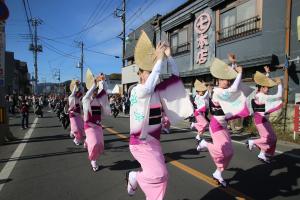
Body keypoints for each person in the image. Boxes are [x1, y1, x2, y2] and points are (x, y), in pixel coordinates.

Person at [126, 31, 193, 199]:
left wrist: (168, 56)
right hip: (139, 143)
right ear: (140, 73)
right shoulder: (136, 90)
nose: (151, 74)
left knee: (162, 178)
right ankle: (134, 176)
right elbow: (148, 86)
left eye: (152, 70)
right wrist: (159, 60)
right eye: (147, 71)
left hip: (154, 142)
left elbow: (176, 77)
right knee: (158, 175)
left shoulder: (158, 90)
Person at [196, 58, 250, 187]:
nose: (228, 82)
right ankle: (205, 143)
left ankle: (218, 173)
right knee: (221, 151)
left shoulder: (224, 90)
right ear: (218, 80)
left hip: (224, 125)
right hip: (216, 125)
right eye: (225, 80)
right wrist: (239, 73)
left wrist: (233, 64)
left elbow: (233, 88)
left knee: (230, 152)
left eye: (228, 80)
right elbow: (232, 90)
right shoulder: (216, 92)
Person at [246, 71, 282, 163]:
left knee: (273, 138)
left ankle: (265, 154)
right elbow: (278, 96)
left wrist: (267, 74)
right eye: (267, 87)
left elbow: (263, 81)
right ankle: (252, 142)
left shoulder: (260, 94)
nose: (269, 89)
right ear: (261, 88)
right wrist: (279, 84)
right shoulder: (261, 96)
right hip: (260, 121)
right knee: (267, 138)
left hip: (263, 120)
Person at [82, 73, 111, 171]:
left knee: (99, 143)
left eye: (96, 90)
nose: (95, 92)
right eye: (93, 90)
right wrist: (94, 83)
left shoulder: (99, 99)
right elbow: (86, 96)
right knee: (94, 143)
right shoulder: (86, 100)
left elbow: (105, 91)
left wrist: (103, 80)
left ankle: (86, 141)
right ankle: (93, 161)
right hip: (89, 126)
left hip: (98, 125)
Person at [190, 80, 209, 150]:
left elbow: (205, 93)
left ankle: (198, 138)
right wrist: (205, 88)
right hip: (198, 113)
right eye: (201, 91)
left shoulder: (200, 96)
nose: (202, 92)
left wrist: (203, 85)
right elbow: (206, 93)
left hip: (201, 113)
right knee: (205, 124)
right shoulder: (198, 96)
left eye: (202, 91)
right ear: (198, 91)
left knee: (203, 128)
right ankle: (194, 124)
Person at [68, 80, 85, 144]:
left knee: (80, 127)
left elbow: (82, 91)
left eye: (78, 92)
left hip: (78, 114)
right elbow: (74, 92)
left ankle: (74, 135)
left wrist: (80, 85)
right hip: (72, 114)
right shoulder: (71, 97)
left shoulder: (78, 98)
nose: (78, 93)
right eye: (76, 92)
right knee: (76, 128)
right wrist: (76, 85)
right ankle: (76, 139)